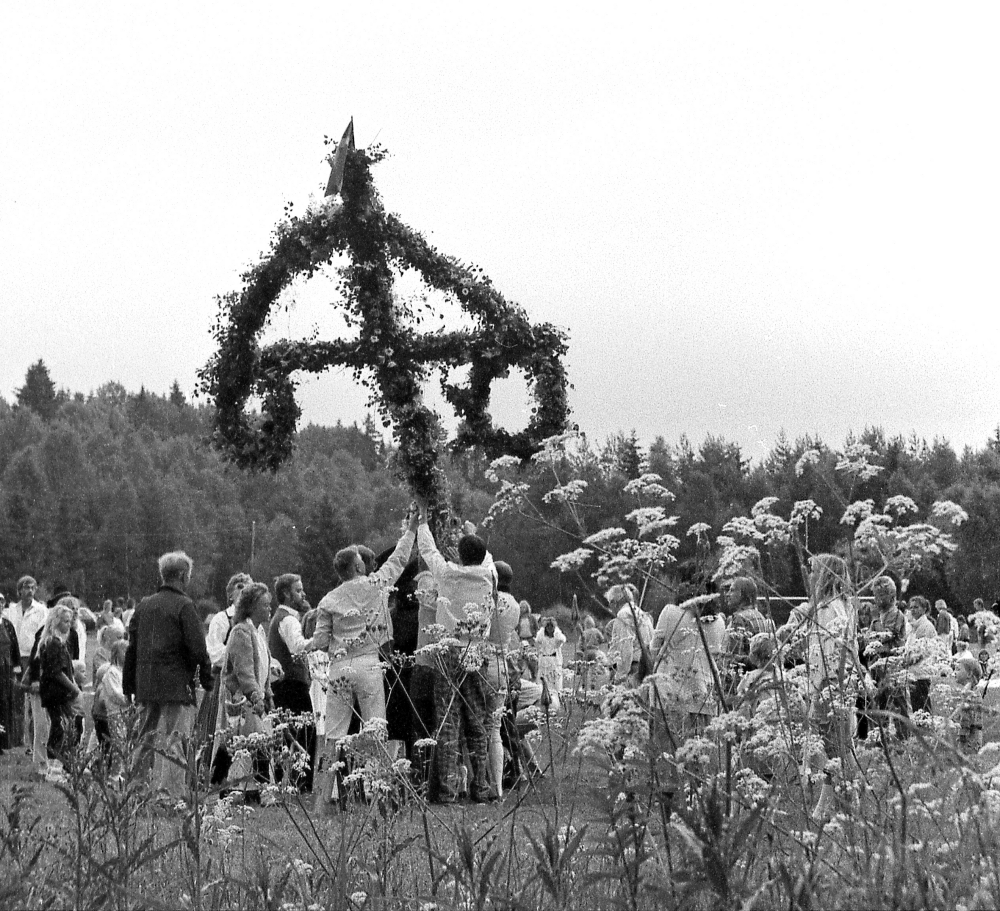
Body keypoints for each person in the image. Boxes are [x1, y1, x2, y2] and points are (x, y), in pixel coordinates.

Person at [307, 510, 418, 807]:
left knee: (332, 735)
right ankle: (382, 796)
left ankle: (319, 803)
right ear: (358, 564)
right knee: (376, 729)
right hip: (369, 664)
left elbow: (318, 641)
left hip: (340, 667)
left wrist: (302, 645)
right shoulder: (376, 585)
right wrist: (410, 530)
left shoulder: (328, 599)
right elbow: (399, 559)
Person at [416, 503, 498, 804]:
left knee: (447, 721)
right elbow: (487, 559)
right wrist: (472, 533)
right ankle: (481, 786)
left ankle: (449, 790)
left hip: (448, 651)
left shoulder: (448, 575)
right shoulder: (489, 576)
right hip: (476, 652)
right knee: (477, 720)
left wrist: (423, 522)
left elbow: (428, 552)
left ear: (459, 556)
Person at [778, 554, 869, 821]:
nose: (809, 575)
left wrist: (823, 686)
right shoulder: (838, 607)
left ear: (826, 574)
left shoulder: (828, 609)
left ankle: (836, 805)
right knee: (838, 747)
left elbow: (830, 651)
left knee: (835, 748)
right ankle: (845, 801)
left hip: (830, 684)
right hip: (833, 683)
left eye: (813, 570)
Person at [123, 551, 213, 802]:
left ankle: (134, 794)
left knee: (143, 739)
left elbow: (132, 647)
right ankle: (170, 797)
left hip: (145, 683)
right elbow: (197, 647)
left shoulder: (143, 605)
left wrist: (128, 684)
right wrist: (206, 679)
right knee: (175, 740)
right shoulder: (184, 606)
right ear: (184, 576)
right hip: (175, 683)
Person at [216, 583, 274, 801]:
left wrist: (267, 694)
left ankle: (216, 786)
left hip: (252, 697)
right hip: (241, 698)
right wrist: (256, 696)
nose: (269, 608)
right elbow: (244, 671)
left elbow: (263, 668)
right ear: (252, 607)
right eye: (265, 605)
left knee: (233, 744)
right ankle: (265, 793)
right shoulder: (241, 631)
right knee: (257, 743)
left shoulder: (258, 632)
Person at [268, 573, 316, 792]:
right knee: (304, 732)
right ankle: (302, 784)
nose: (303, 594)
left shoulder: (281, 617)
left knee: (286, 734)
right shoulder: (288, 619)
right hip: (292, 684)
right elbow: (297, 648)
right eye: (298, 590)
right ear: (286, 594)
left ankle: (285, 783)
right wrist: (319, 640)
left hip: (285, 684)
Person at [38, 600, 83, 782]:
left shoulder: (57, 643)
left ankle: (60, 767)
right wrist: (74, 689)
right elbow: (56, 672)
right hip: (56, 693)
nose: (69, 624)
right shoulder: (53, 644)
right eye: (65, 621)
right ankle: (54, 770)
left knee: (62, 728)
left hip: (58, 693)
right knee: (59, 729)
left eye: (70, 621)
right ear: (56, 622)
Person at [2, 576, 47, 754]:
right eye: (26, 587)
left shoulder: (41, 610)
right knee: (16, 699)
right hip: (15, 658)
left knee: (33, 701)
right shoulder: (10, 611)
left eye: (32, 588)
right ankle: (17, 739)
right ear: (19, 590)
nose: (29, 591)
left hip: (32, 657)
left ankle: (32, 742)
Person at [863, 576, 910, 740]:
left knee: (898, 702)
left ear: (892, 597)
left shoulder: (897, 615)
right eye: (876, 596)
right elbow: (870, 638)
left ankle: (903, 737)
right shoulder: (876, 617)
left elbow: (888, 635)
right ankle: (879, 738)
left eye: (881, 596)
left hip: (892, 663)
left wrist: (873, 637)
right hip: (877, 665)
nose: (877, 600)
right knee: (878, 703)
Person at [721, 576, 773, 691]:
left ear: (742, 594)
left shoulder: (739, 618)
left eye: (732, 590)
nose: (727, 594)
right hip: (759, 680)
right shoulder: (760, 616)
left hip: (743, 684)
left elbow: (736, 660)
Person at [92, 640, 128, 769]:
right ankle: (115, 771)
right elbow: (115, 693)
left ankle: (122, 769)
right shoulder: (111, 672)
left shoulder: (125, 672)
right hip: (115, 713)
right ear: (116, 654)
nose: (127, 654)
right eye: (124, 651)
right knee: (118, 742)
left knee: (125, 742)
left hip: (127, 713)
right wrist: (128, 699)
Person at [608, 584, 654, 686]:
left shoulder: (622, 616)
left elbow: (626, 648)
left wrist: (619, 677)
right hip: (646, 668)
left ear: (613, 603)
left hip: (632, 671)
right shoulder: (643, 614)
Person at [906, 595, 938, 714]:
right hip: (913, 671)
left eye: (916, 607)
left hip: (921, 672)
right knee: (916, 706)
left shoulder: (926, 626)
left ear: (924, 609)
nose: (913, 610)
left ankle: (926, 730)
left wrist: (907, 660)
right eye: (911, 607)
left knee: (922, 707)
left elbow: (922, 650)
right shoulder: (913, 626)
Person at [955, 653, 984, 752]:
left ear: (969, 674)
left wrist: (962, 737)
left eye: (958, 669)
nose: (955, 672)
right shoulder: (969, 692)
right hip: (970, 737)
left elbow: (966, 719)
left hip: (969, 739)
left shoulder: (970, 695)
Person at [0, 611, 19, 756]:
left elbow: (15, 649)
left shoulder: (7, 624)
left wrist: (17, 670)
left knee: (5, 703)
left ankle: (4, 742)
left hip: (6, 669)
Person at [534, 616, 566, 700]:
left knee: (556, 682)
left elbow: (562, 639)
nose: (549, 628)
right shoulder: (541, 635)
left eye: (551, 626)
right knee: (543, 681)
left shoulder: (557, 637)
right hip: (544, 660)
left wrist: (556, 632)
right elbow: (538, 640)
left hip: (554, 661)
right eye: (547, 626)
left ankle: (557, 698)